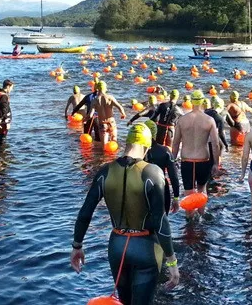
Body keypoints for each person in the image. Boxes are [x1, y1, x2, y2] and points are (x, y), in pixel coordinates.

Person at [70, 124, 180, 304]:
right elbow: (160, 221)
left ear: (127, 143)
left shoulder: (105, 171)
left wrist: (77, 246)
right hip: (146, 248)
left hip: (117, 246)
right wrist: (172, 261)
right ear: (146, 148)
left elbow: (85, 212)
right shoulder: (152, 172)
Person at [172, 91, 220, 219]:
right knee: (201, 190)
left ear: (191, 102)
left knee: (189, 192)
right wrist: (216, 163)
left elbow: (175, 143)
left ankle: (190, 221)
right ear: (202, 101)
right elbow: (215, 144)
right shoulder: (209, 120)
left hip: (187, 161)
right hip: (203, 160)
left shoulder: (182, 120)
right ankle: (201, 216)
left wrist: (172, 161)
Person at [143, 120, 181, 214]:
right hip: (160, 189)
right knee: (161, 220)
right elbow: (173, 177)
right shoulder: (165, 151)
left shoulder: (136, 152)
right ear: (155, 133)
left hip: (140, 189)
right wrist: (176, 198)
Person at [0, 79, 14, 146]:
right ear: (8, 86)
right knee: (2, 137)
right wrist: (6, 122)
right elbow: (4, 110)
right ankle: (2, 152)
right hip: (3, 121)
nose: (12, 89)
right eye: (12, 87)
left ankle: (0, 151)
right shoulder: (4, 96)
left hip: (0, 119)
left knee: (0, 137)